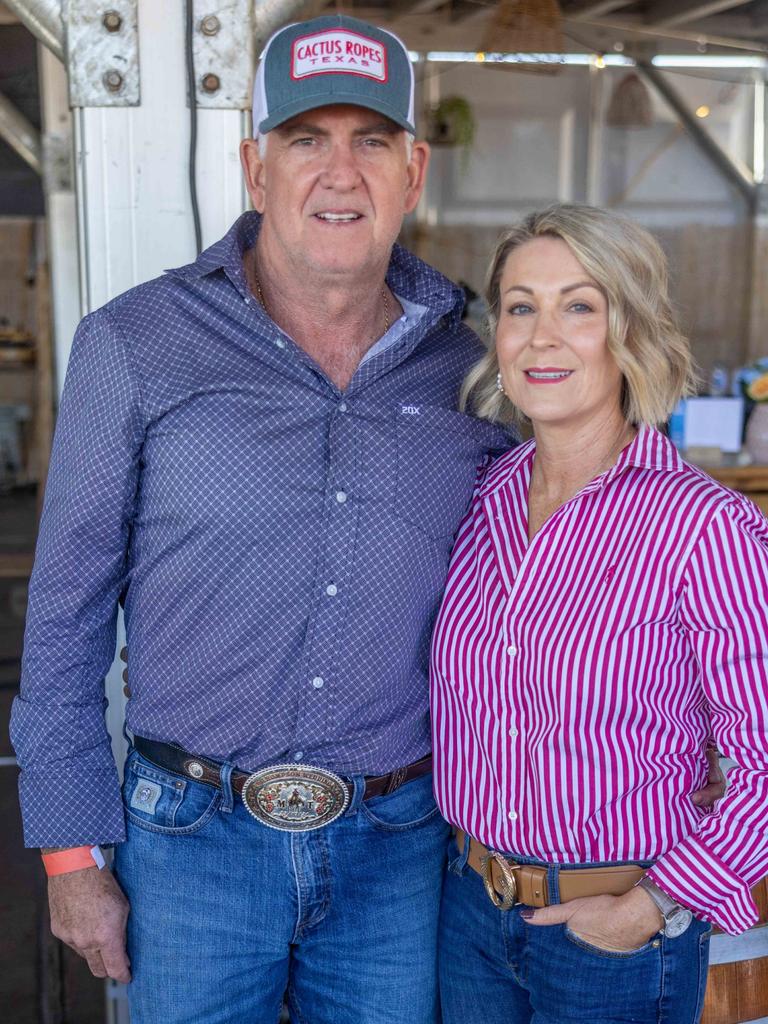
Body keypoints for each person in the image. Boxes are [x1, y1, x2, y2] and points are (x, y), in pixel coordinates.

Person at [10, 14, 515, 1024]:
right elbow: (64, 611)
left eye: (371, 140)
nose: (341, 170)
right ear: (254, 164)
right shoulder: (137, 343)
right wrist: (72, 852)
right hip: (191, 844)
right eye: (305, 138)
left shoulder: (472, 371)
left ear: (413, 172)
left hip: (400, 847)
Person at [430, 204, 768, 1024]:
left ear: (631, 334)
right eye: (520, 306)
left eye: (579, 306)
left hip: (613, 934)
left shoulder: (706, 528)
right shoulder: (479, 500)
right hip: (469, 913)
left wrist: (651, 909)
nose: (542, 336)